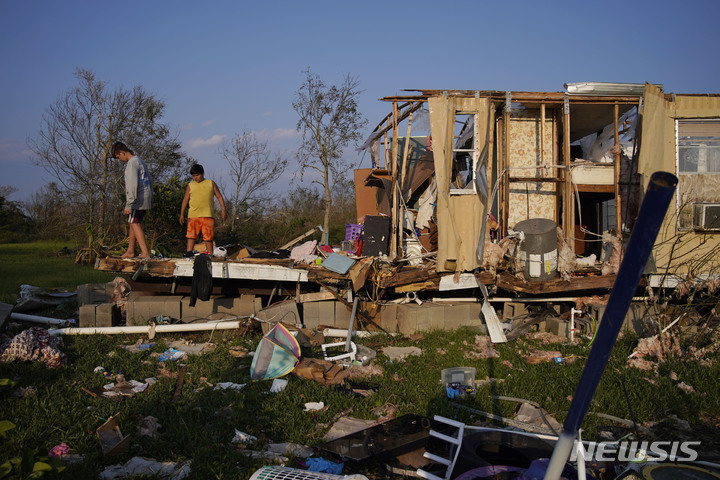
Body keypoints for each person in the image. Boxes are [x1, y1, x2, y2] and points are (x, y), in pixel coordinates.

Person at [112, 141, 152, 259]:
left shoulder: (131, 163)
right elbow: (149, 179)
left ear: (122, 152)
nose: (119, 160)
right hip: (145, 195)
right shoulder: (139, 160)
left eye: (118, 157)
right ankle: (130, 250)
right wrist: (151, 197)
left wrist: (129, 204)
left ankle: (145, 253)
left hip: (137, 198)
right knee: (132, 222)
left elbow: (132, 185)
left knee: (135, 222)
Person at [179, 163, 226, 256]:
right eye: (193, 176)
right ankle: (189, 254)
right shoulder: (190, 185)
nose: (195, 178)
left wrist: (223, 210)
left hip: (207, 215)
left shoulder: (210, 183)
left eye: (197, 175)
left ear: (203, 173)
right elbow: (185, 199)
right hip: (193, 215)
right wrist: (181, 214)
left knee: (208, 237)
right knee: (191, 236)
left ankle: (210, 254)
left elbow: (219, 196)